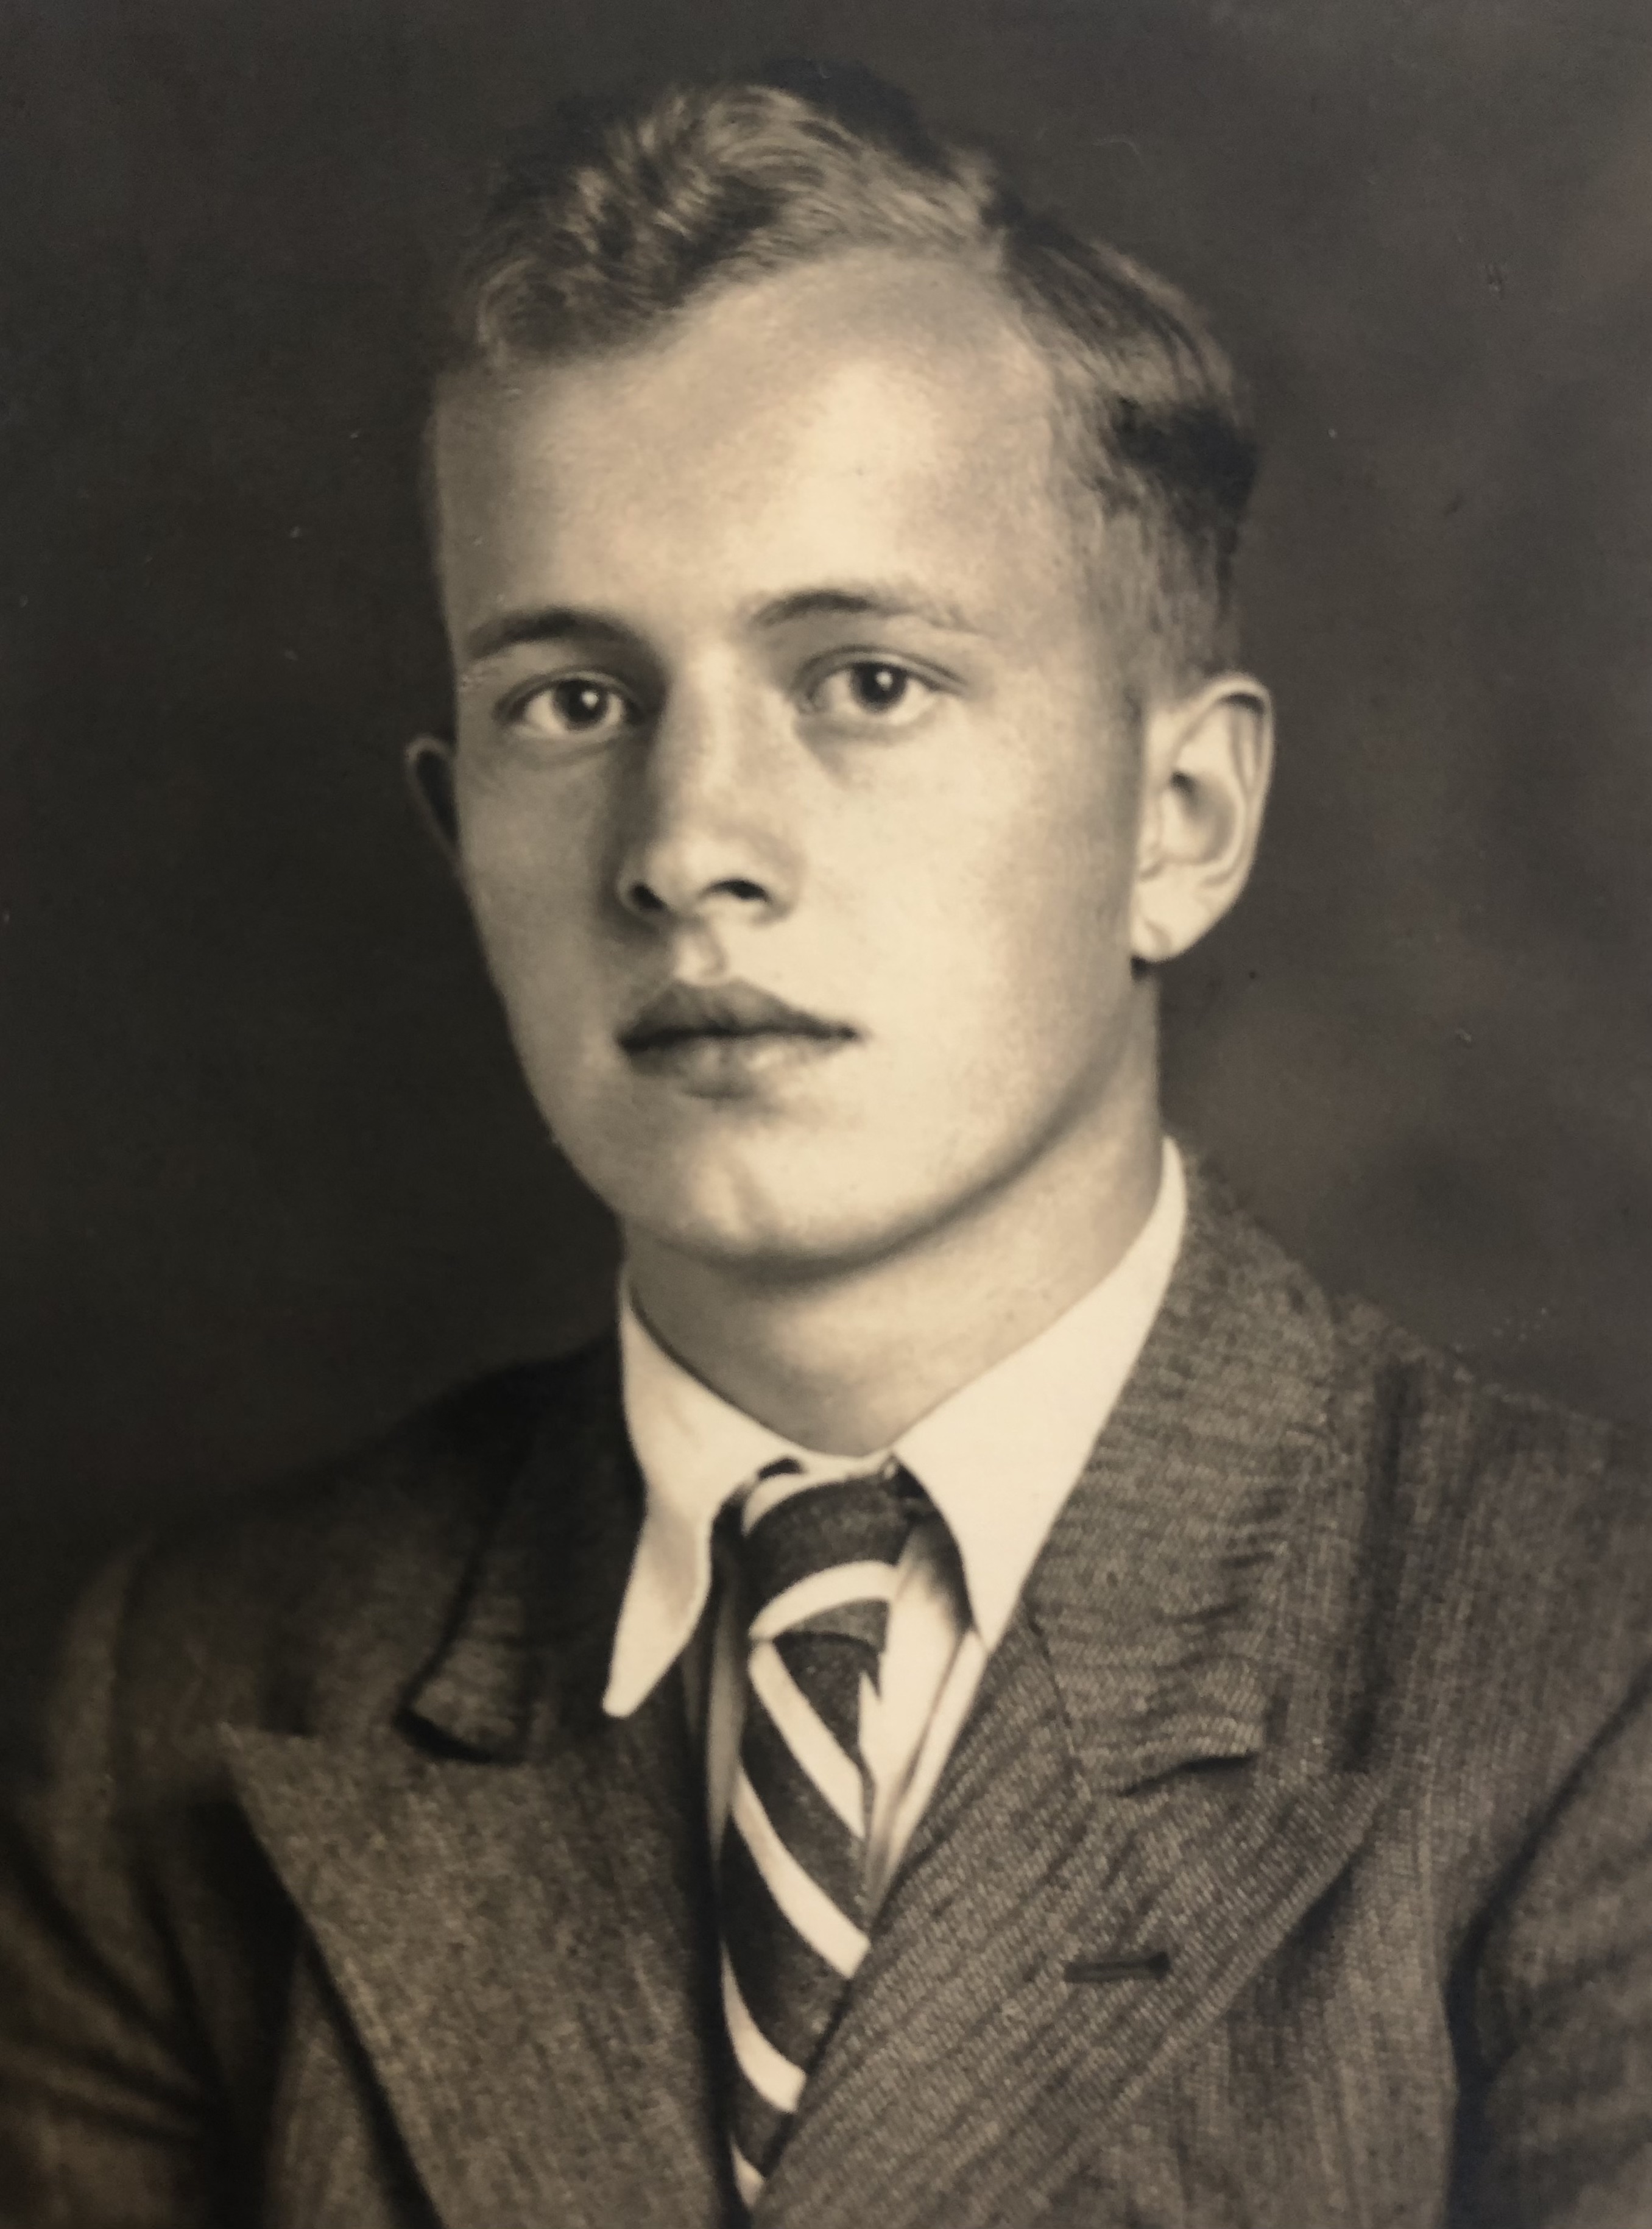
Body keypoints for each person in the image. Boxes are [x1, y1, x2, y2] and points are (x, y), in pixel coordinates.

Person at [1, 60, 1648, 2229]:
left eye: (865, 679)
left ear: (1179, 821)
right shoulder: (189, 1697)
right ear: (460, 835)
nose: (688, 846)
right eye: (574, 702)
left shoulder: (1585, 1668)